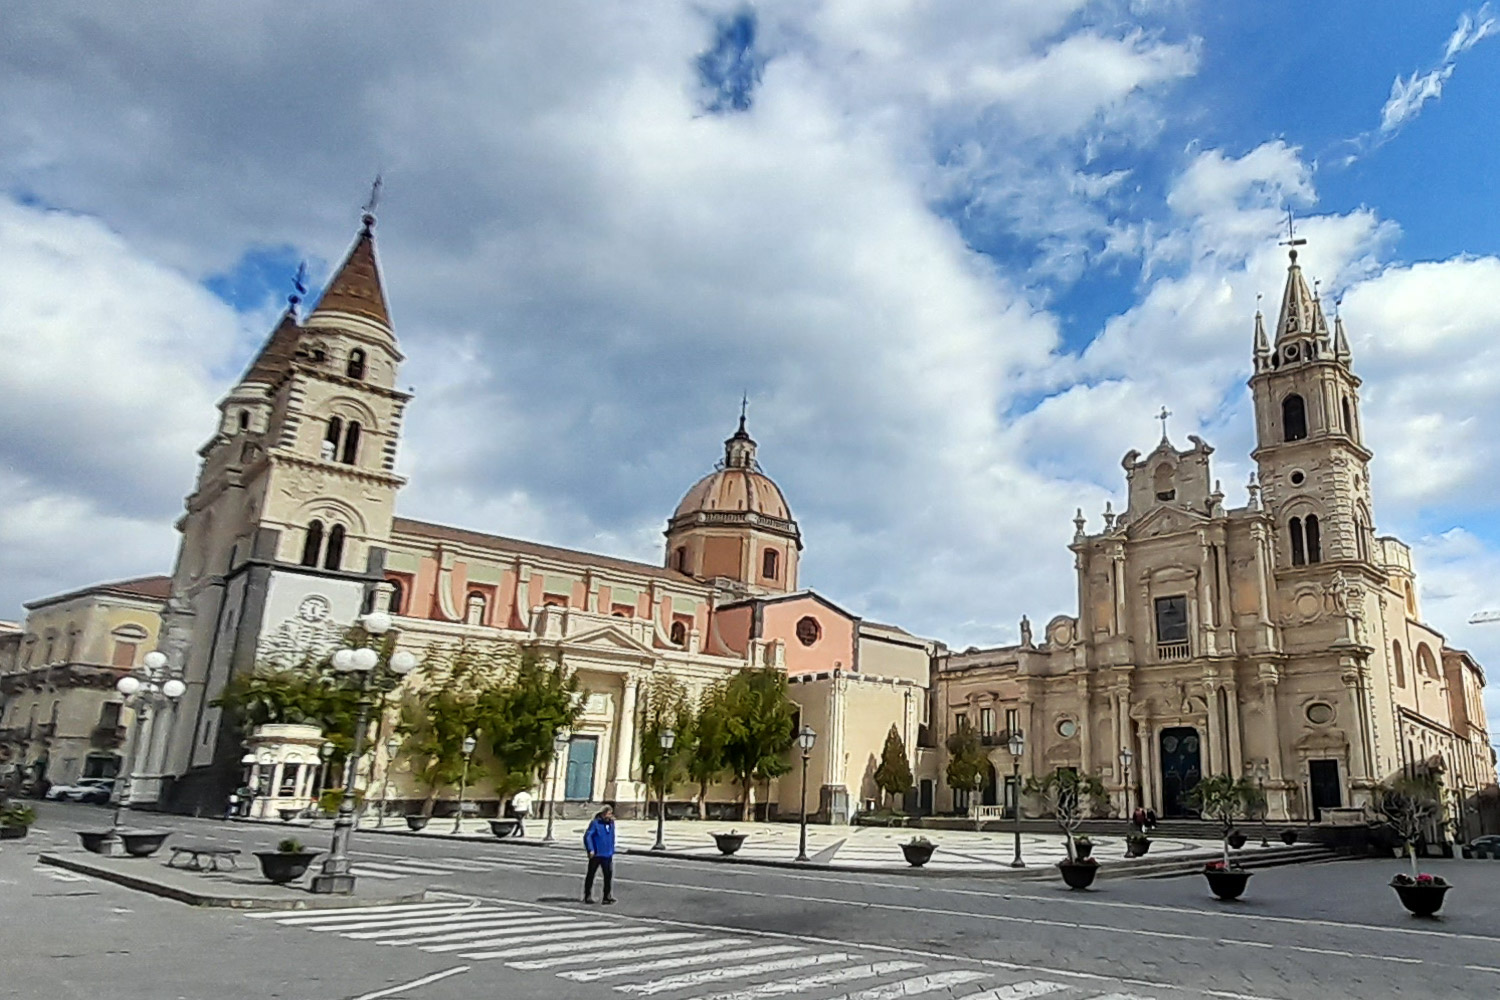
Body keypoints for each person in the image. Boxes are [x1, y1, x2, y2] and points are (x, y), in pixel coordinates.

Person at [582, 804, 617, 905]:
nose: (609, 816)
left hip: (607, 854)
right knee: (591, 875)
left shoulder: (611, 824)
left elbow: (611, 837)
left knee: (608, 876)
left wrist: (612, 850)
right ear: (603, 814)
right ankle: (587, 895)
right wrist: (590, 849)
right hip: (596, 854)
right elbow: (588, 836)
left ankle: (607, 896)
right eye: (608, 814)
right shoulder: (595, 823)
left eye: (610, 814)